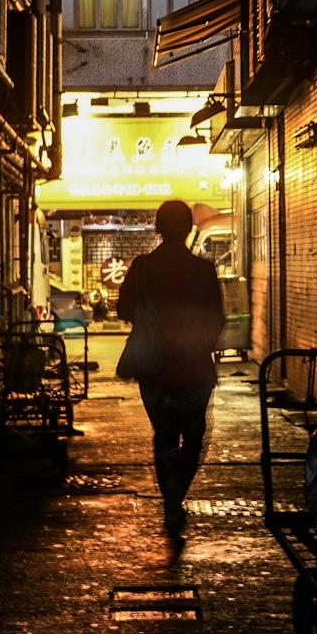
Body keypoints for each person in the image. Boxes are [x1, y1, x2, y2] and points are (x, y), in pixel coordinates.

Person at [117, 199, 225, 534]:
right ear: (190, 228)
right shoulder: (204, 270)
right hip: (195, 369)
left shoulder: (143, 267)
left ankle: (171, 501)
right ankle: (175, 499)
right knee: (193, 437)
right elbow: (217, 320)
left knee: (165, 435)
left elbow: (123, 310)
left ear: (157, 228)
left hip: (155, 370)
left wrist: (150, 319)